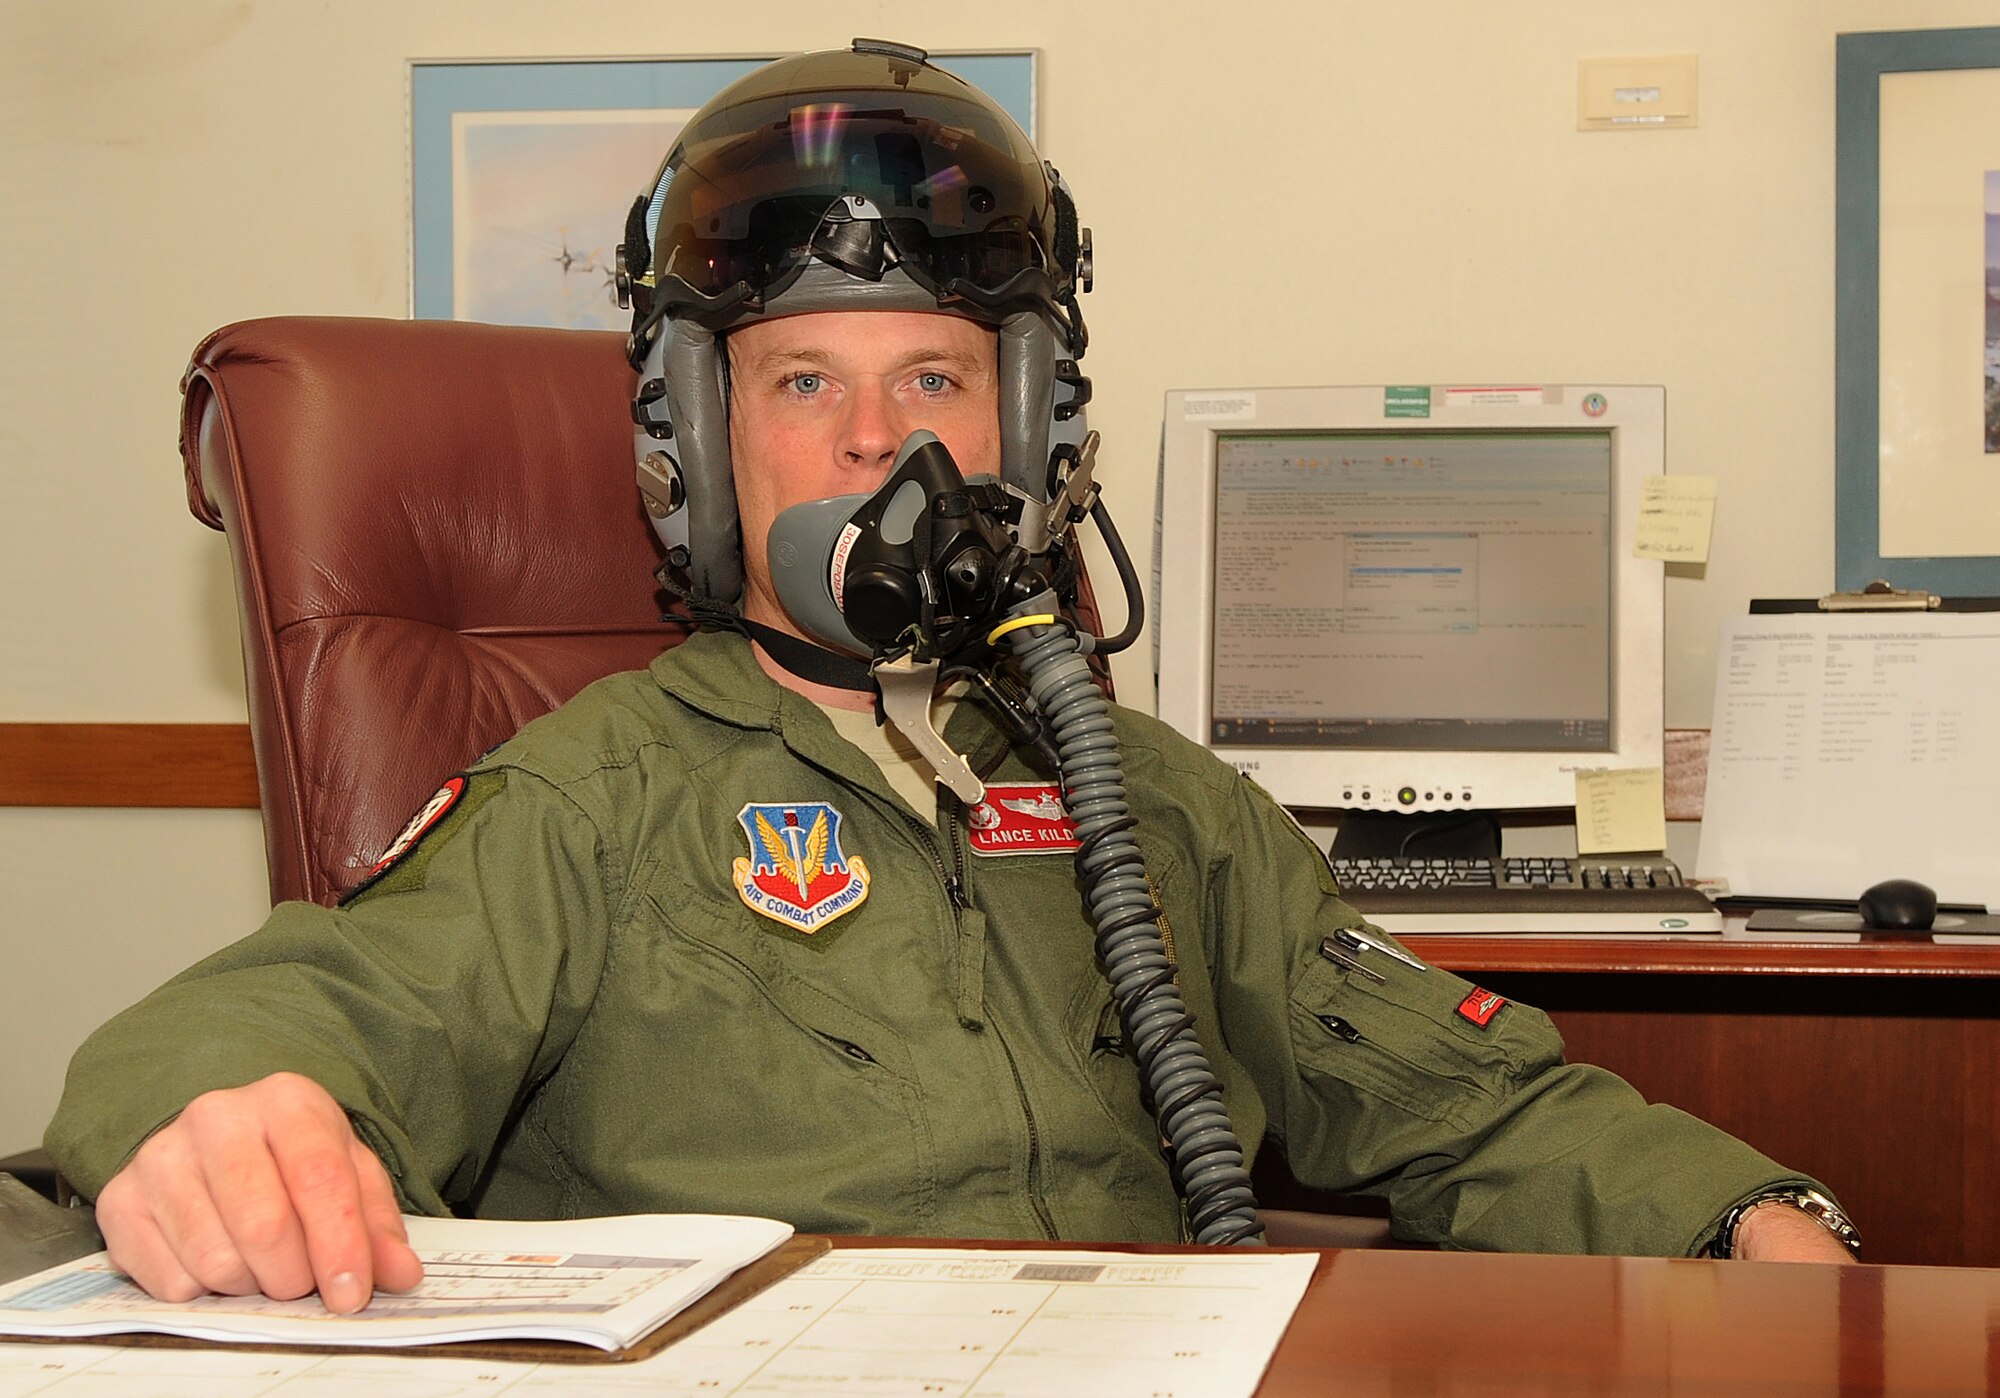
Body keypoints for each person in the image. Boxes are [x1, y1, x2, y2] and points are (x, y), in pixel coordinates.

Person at [45, 41, 1857, 1315]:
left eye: (932, 381)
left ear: (1029, 427)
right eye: (801, 383)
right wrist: (222, 1116)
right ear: (697, 440)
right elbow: (296, 1018)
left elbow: (1466, 1098)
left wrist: (1749, 1216)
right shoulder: (593, 800)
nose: (873, 446)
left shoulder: (1137, 796)